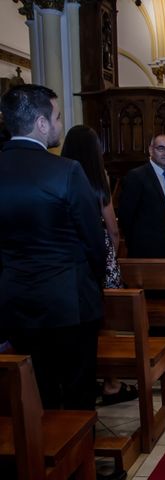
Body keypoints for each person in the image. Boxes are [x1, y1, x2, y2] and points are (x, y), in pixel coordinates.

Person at [0, 84, 105, 411]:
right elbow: (94, 241)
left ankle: (38, 455)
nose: (60, 124)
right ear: (41, 124)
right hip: (69, 303)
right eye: (57, 117)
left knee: (33, 392)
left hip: (14, 302)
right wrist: (96, 285)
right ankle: (77, 460)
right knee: (76, 392)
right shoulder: (67, 171)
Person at [61, 124, 139, 406]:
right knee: (106, 318)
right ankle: (111, 381)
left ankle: (82, 377)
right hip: (99, 252)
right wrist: (112, 255)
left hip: (69, 255)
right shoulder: (96, 177)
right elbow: (112, 228)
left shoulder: (60, 171)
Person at [118, 134, 165, 258]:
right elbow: (126, 215)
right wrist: (134, 244)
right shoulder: (137, 176)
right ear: (151, 150)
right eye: (161, 148)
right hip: (146, 249)